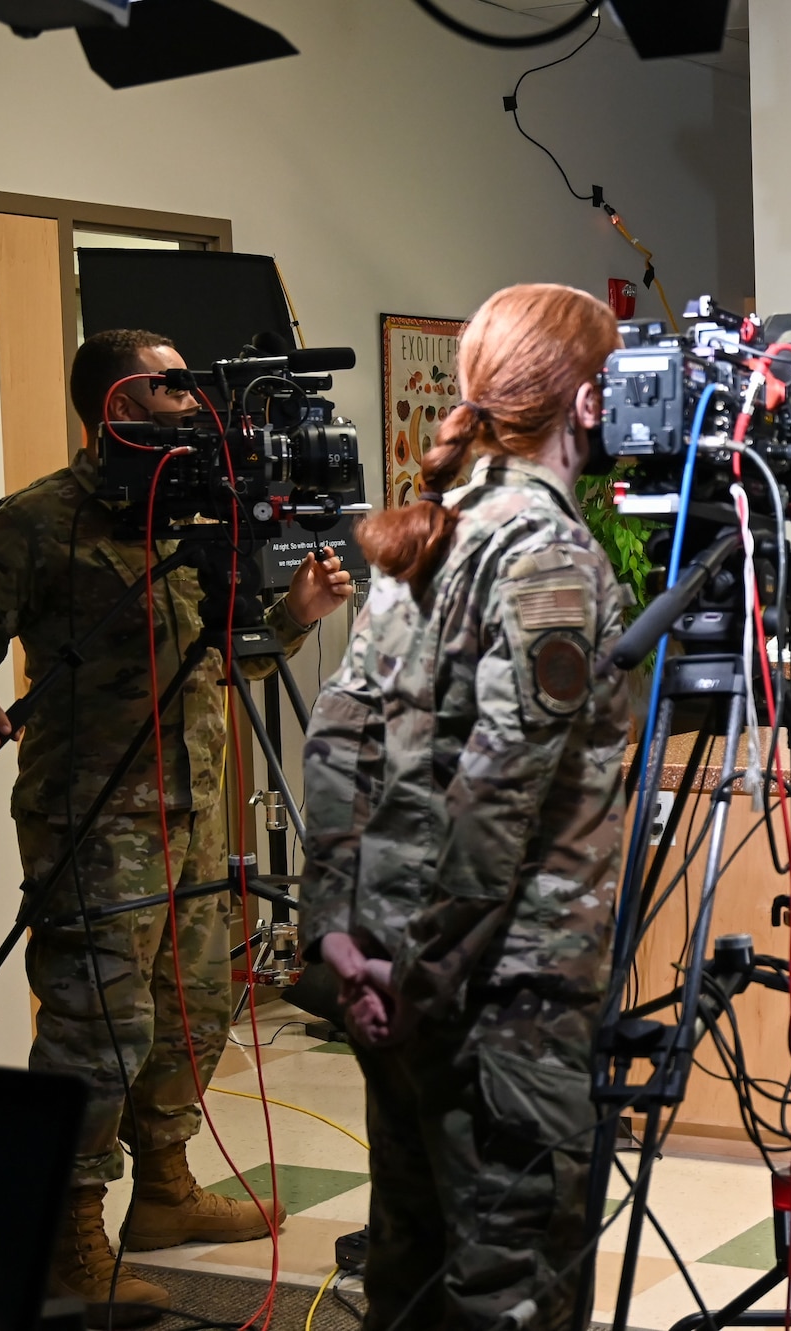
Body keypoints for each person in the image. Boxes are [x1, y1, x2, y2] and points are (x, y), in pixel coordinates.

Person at [0, 327, 354, 1321]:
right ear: (117, 406)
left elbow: (230, 659)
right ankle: (68, 1236)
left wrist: (298, 615)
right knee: (99, 1031)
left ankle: (166, 1191)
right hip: (93, 821)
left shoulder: (202, 515)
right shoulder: (37, 520)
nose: (194, 403)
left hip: (195, 814)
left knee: (192, 1008)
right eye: (172, 387)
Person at [300, 283, 629, 1326]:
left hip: (389, 968)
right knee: (510, 1278)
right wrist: (427, 965)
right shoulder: (548, 553)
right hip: (500, 990)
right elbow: (498, 785)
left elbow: (333, 738)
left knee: (410, 1266)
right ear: (585, 403)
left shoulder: (425, 537)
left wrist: (339, 941)